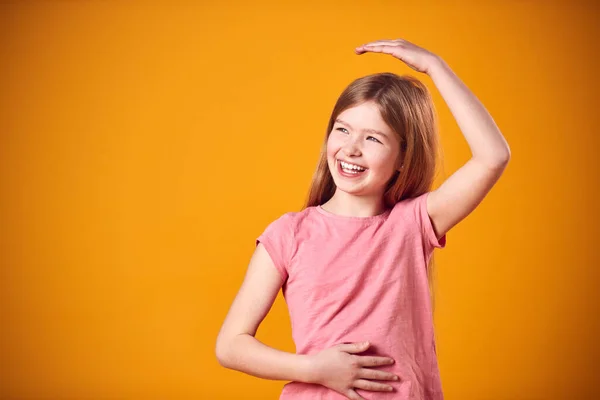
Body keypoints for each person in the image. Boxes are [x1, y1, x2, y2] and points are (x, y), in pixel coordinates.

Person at [215, 38, 511, 400]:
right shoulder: (289, 234)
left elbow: (492, 156)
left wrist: (436, 68)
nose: (351, 148)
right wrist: (314, 369)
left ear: (404, 157)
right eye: (342, 129)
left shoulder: (413, 224)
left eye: (373, 138)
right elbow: (230, 345)